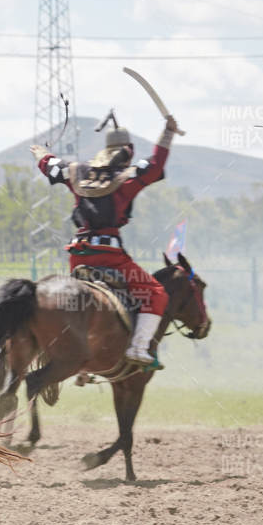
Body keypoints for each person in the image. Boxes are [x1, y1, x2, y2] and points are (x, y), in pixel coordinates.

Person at [29, 111, 178, 366]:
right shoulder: (127, 177)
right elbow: (155, 166)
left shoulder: (78, 173)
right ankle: (139, 348)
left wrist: (40, 153)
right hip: (111, 258)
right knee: (156, 293)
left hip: (78, 257)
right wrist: (167, 133)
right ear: (128, 151)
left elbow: (52, 166)